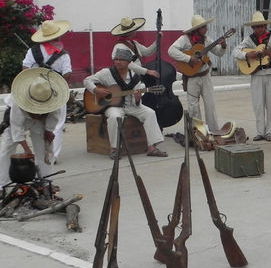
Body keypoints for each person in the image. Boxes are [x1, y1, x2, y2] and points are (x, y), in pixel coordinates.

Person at [84, 48, 167, 159]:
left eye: (121, 59)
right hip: (113, 106)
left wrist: (137, 99)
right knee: (115, 117)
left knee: (150, 113)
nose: (118, 62)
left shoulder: (135, 78)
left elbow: (136, 103)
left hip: (130, 105)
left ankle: (152, 147)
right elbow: (87, 80)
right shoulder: (106, 73)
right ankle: (114, 149)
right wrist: (96, 90)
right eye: (116, 59)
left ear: (128, 62)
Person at [0, 68, 69, 185]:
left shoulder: (55, 99)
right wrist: (27, 150)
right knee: (7, 148)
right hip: (19, 119)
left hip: (40, 122)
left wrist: (49, 131)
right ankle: (3, 183)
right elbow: (17, 128)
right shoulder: (18, 100)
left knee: (45, 148)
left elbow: (54, 117)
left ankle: (45, 180)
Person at [22, 20, 72, 164]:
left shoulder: (32, 51)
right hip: (56, 92)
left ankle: (40, 153)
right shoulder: (63, 54)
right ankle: (52, 156)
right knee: (56, 124)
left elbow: (25, 70)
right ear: (58, 36)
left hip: (36, 91)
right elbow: (67, 74)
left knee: (38, 124)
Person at [168, 15, 227, 134]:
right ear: (197, 29)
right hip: (192, 78)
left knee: (210, 104)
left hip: (205, 76)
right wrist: (188, 59)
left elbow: (219, 53)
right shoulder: (184, 39)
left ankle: (213, 131)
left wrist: (223, 46)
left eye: (205, 26)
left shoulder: (207, 40)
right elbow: (171, 50)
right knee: (193, 106)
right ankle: (198, 132)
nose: (206, 29)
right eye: (203, 27)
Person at [232, 11, 271, 142]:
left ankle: (270, 132)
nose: (259, 29)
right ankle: (260, 132)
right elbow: (235, 51)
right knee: (258, 105)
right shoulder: (249, 40)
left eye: (261, 26)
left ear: (265, 26)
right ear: (253, 28)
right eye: (256, 27)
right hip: (256, 73)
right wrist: (247, 55)